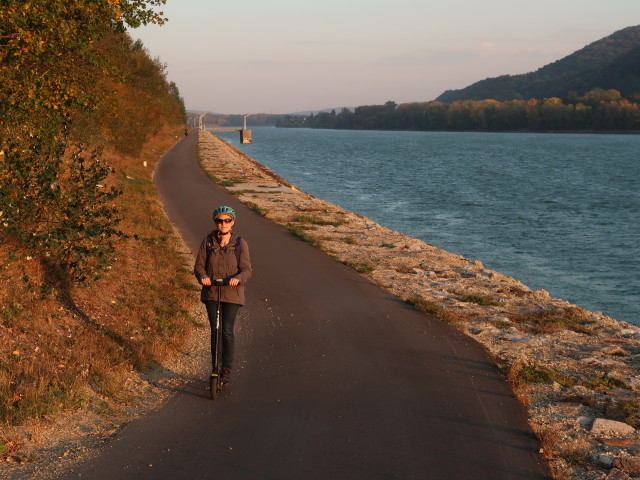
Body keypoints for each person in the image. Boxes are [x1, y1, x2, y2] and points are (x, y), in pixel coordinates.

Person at [194, 206, 252, 383]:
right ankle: (214, 365)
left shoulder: (240, 243)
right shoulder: (208, 242)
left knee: (226, 331)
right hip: (212, 291)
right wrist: (203, 277)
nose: (223, 223)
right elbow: (199, 266)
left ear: (233, 222)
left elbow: (247, 270)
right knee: (215, 330)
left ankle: (226, 366)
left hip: (232, 293)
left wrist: (237, 279)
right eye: (220, 220)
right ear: (215, 222)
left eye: (227, 220)